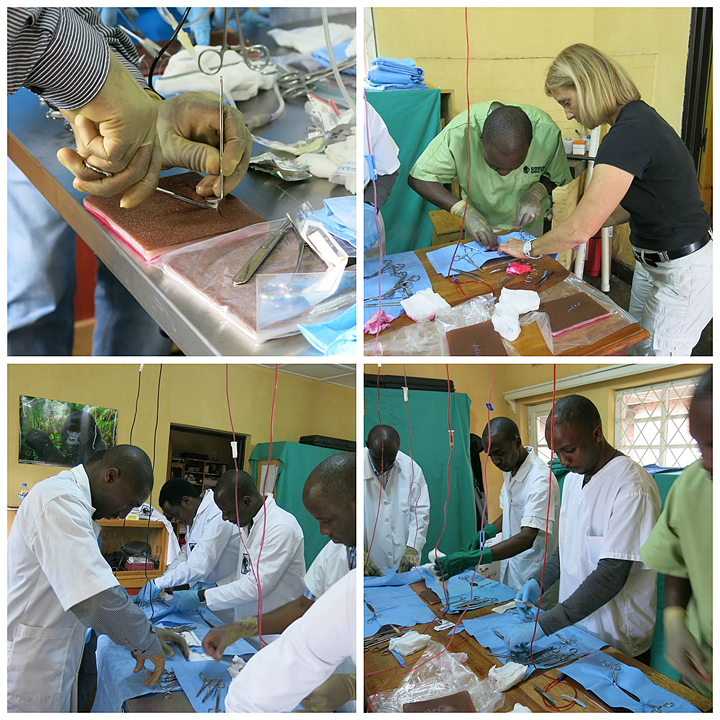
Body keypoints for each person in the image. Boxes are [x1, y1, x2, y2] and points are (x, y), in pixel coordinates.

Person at [7, 8, 252, 354]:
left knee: (142, 292)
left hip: (103, 80)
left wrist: (145, 108)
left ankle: (109, 402)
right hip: (25, 99)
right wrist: (98, 83)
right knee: (35, 294)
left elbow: (80, 19)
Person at [498, 44, 712, 356]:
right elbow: (638, 202)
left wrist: (529, 248)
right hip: (652, 262)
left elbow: (579, 232)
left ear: (588, 85)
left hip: (681, 271)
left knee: (656, 358)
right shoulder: (638, 120)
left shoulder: (628, 134)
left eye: (568, 102)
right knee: (634, 344)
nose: (569, 113)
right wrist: (581, 221)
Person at [7, 445, 188, 712]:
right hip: (30, 665)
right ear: (111, 476)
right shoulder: (59, 501)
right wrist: (146, 641)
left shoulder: (78, 504)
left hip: (54, 652)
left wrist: (140, 631)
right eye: (129, 503)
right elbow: (97, 598)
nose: (125, 514)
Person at [507, 395, 661, 664]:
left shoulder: (632, 487)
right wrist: (539, 581)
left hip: (616, 639)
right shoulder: (573, 481)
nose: (563, 461)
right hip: (575, 629)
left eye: (570, 450)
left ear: (597, 433)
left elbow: (611, 575)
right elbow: (567, 548)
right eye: (556, 453)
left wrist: (544, 625)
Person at [203, 452, 356, 711]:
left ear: (355, 505)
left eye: (327, 521)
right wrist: (240, 628)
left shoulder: (283, 528)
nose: (322, 531)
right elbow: (303, 607)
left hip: (346, 675)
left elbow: (257, 585)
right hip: (311, 659)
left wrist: (351, 684)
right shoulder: (334, 552)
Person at [436, 417, 560, 609]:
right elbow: (511, 511)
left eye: (499, 453)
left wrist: (473, 558)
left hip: (533, 575)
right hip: (512, 570)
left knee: (534, 630)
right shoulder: (510, 469)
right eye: (490, 455)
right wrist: (489, 530)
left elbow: (527, 537)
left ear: (517, 442)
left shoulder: (541, 479)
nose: (495, 461)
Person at [408, 102, 571, 247]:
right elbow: (419, 178)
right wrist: (465, 212)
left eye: (515, 167)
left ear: (531, 142)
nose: (504, 174)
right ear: (480, 139)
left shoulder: (547, 132)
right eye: (494, 166)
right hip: (479, 224)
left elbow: (556, 174)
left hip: (528, 227)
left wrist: (537, 192)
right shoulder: (461, 131)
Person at [640, 368, 712, 697]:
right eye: (700, 446)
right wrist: (675, 617)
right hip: (702, 673)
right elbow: (675, 558)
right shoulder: (693, 484)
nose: (707, 462)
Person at [171, 469, 306, 644]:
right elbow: (244, 573)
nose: (224, 517)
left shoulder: (280, 527)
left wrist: (203, 595)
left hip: (276, 634)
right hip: (248, 627)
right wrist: (216, 585)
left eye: (227, 511)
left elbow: (256, 585)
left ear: (247, 502)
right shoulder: (247, 524)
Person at [224, 569, 356, 713]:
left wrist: (352, 685)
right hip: (330, 675)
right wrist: (243, 628)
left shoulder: (350, 588)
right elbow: (303, 610)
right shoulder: (346, 581)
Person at [136, 479, 241, 604]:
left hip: (224, 596)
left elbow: (199, 566)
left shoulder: (217, 514)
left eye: (176, 514)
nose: (176, 520)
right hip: (204, 595)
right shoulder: (195, 517)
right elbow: (186, 552)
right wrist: (165, 576)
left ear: (186, 501)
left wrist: (158, 583)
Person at [364, 424, 430, 575]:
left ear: (398, 448)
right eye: (377, 459)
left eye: (389, 460)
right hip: (369, 562)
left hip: (402, 563)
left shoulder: (412, 469)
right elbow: (345, 517)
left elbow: (420, 512)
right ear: (367, 445)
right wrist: (357, 553)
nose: (383, 465)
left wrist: (412, 548)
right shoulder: (353, 468)